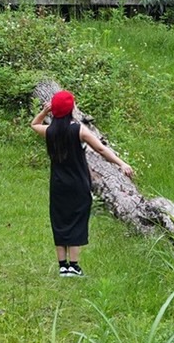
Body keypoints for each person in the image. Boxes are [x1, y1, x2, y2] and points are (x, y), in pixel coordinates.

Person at [30, 89, 133, 277]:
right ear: (71, 109)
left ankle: (63, 266)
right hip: (78, 183)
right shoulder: (79, 130)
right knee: (77, 220)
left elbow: (34, 124)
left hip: (58, 184)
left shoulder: (49, 131)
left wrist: (45, 112)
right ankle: (75, 267)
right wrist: (121, 163)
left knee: (60, 221)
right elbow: (101, 149)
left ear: (55, 110)